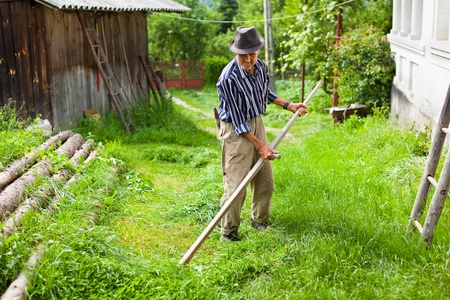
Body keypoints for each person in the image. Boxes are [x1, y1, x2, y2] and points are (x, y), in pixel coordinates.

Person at [216, 26, 307, 242]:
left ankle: (259, 220)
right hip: (235, 130)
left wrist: (289, 105)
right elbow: (238, 122)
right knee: (236, 186)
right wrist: (261, 146)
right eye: (243, 55)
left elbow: (264, 93)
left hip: (256, 122)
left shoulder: (261, 67)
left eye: (252, 54)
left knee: (265, 181)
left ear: (258, 51)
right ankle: (228, 233)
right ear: (235, 53)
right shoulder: (228, 79)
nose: (248, 59)